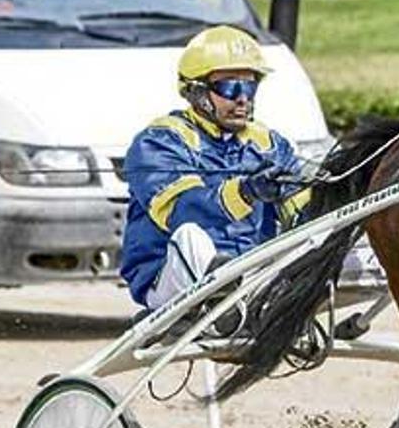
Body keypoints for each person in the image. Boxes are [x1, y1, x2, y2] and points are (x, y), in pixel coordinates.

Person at [120, 25, 315, 318]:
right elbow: (184, 212)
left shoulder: (268, 143)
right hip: (170, 279)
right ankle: (223, 303)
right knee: (191, 235)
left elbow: (305, 211)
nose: (243, 99)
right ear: (197, 91)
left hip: (252, 273)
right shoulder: (159, 141)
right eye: (230, 87)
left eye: (250, 86)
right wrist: (246, 192)